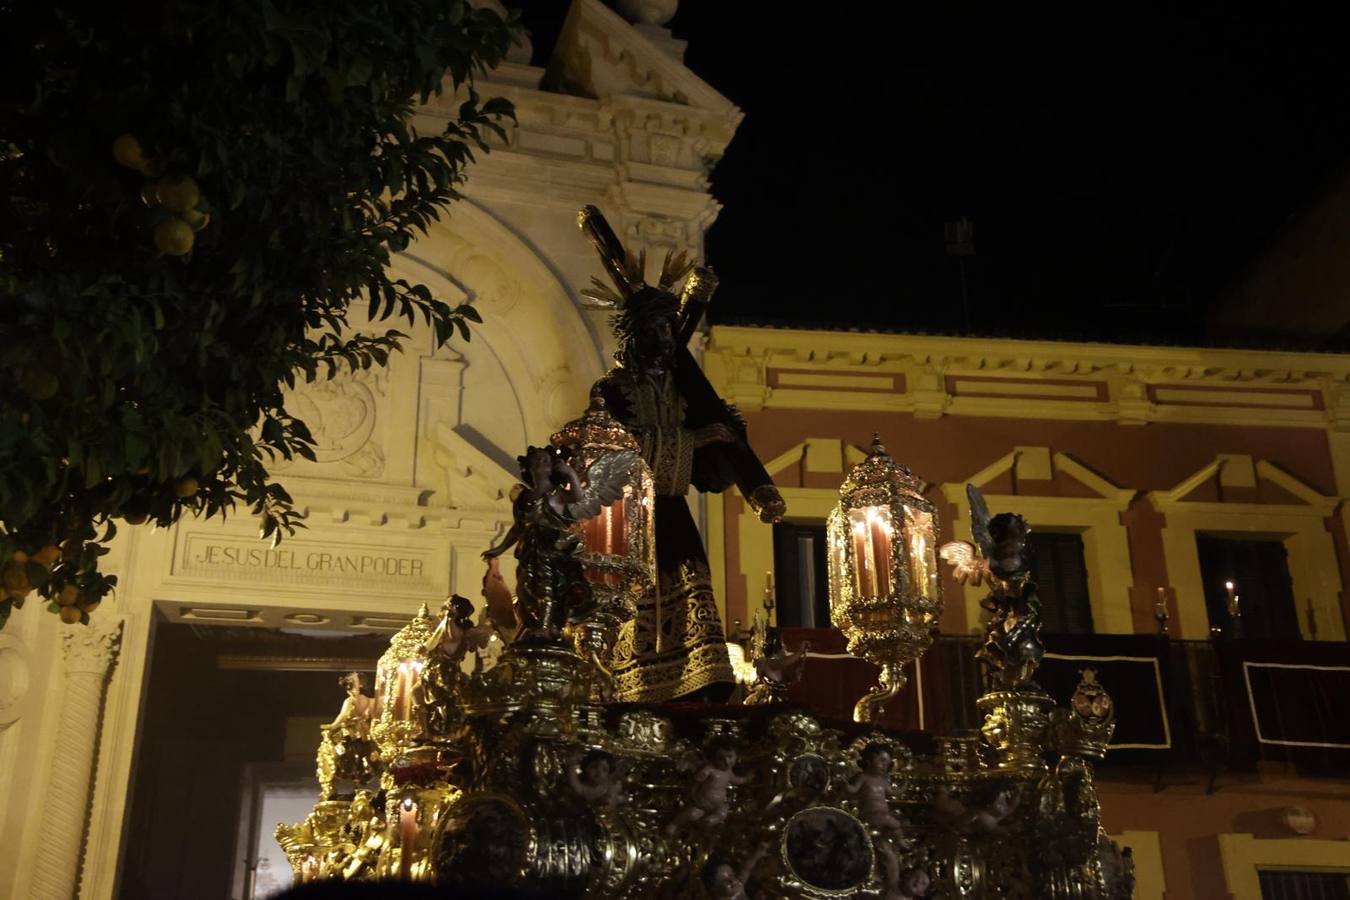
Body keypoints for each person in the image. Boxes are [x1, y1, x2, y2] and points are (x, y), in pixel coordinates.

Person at [578, 206, 786, 703]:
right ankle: (630, 678)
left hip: (674, 513)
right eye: (654, 333)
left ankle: (698, 677)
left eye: (669, 333)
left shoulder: (684, 393)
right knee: (636, 603)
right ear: (634, 338)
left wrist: (724, 437)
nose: (663, 342)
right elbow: (609, 458)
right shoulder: (611, 390)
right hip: (627, 525)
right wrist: (691, 441)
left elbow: (709, 474)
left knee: (694, 590)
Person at [665, 737, 753, 834]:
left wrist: (746, 779)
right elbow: (696, 783)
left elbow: (735, 780)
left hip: (718, 805)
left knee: (723, 813)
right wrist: (693, 796)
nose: (726, 761)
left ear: (736, 756)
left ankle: (709, 822)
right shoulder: (709, 770)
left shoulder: (728, 772)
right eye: (721, 758)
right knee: (691, 814)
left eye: (730, 757)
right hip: (702, 803)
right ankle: (675, 824)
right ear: (714, 757)